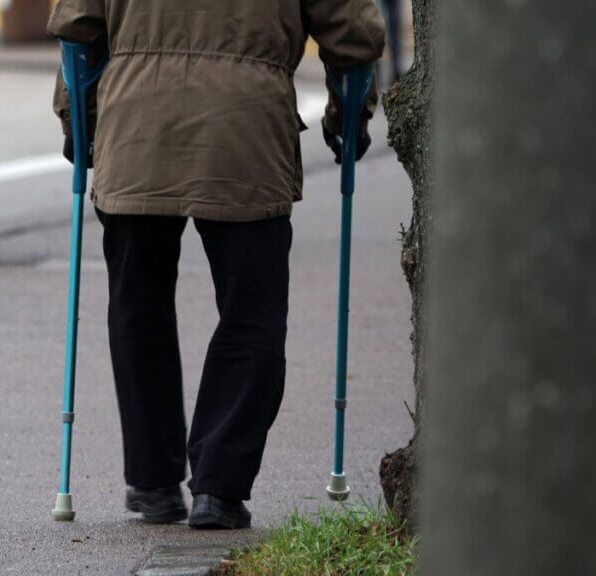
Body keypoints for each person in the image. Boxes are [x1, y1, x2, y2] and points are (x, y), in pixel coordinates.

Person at [49, 0, 385, 529]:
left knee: (139, 305)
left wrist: (79, 117)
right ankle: (219, 487)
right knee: (253, 310)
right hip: (247, 134)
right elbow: (354, 33)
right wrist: (349, 114)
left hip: (136, 128)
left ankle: (153, 482)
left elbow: (77, 28)